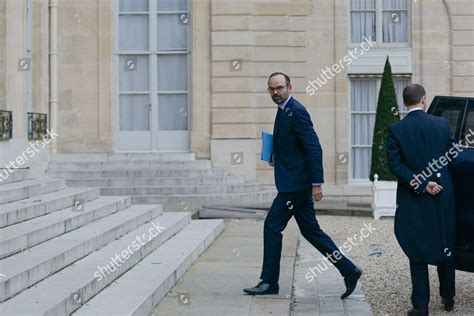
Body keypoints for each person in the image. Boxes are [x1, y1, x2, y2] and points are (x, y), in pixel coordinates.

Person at [243, 72, 362, 299]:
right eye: (272, 89)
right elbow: (293, 145)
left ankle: (269, 281)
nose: (276, 92)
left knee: (272, 226)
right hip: (293, 181)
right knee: (311, 231)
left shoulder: (296, 111)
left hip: (295, 186)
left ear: (289, 87)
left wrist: (317, 183)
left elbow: (314, 148)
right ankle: (349, 270)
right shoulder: (283, 110)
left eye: (279, 87)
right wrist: (276, 155)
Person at [386, 84, 457, 315]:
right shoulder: (442, 124)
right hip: (442, 194)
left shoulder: (396, 129)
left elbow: (395, 165)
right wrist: (436, 180)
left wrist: (422, 183)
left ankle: (421, 306)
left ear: (405, 103)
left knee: (417, 248)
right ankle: (448, 298)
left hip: (413, 198)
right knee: (444, 243)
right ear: (424, 100)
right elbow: (452, 156)